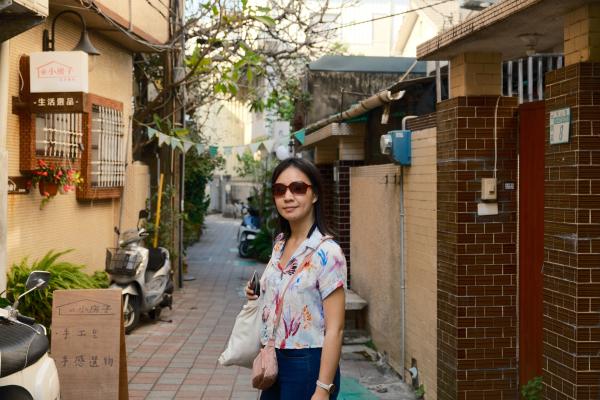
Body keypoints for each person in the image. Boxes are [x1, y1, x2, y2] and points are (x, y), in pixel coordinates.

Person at [246, 157, 347, 400]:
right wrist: (258, 292)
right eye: (280, 190)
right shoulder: (280, 243)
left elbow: (336, 329)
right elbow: (287, 291)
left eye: (298, 188)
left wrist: (323, 388)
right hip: (272, 357)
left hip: (307, 362)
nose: (288, 196)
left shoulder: (328, 252)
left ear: (314, 195)